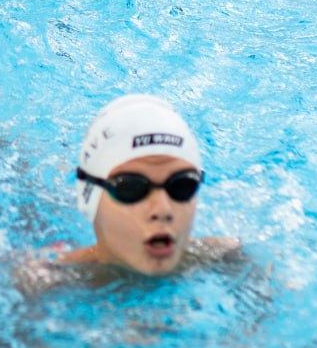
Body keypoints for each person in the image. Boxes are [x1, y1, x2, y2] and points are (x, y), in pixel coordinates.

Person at [55, 95, 239, 277]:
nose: (162, 209)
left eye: (183, 186)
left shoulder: (228, 260)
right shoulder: (46, 286)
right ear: (88, 196)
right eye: (130, 189)